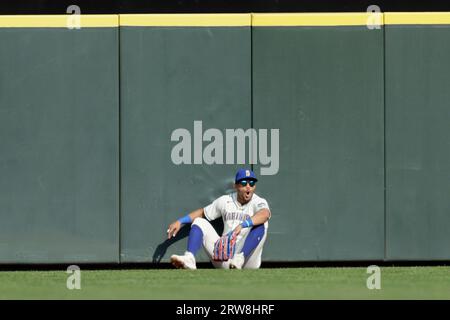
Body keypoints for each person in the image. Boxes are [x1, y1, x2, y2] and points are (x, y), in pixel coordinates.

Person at [166, 169, 271, 270]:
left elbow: (265, 214)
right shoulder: (225, 200)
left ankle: (240, 257)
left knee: (262, 224)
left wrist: (243, 225)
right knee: (199, 221)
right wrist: (180, 221)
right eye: (244, 183)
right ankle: (190, 258)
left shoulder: (258, 201)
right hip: (224, 254)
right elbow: (203, 212)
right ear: (235, 185)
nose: (248, 187)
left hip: (248, 260)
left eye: (251, 183)